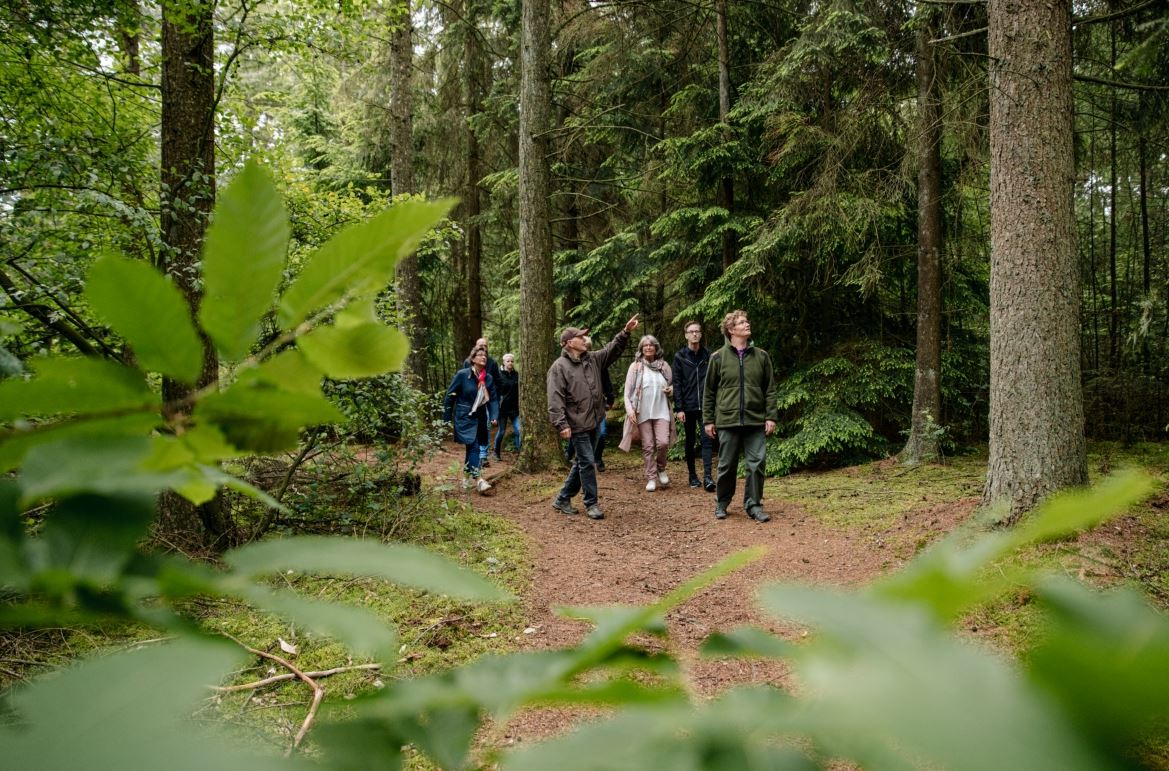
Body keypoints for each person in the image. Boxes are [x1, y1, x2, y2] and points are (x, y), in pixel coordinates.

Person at [547, 314, 640, 520]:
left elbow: (611, 349)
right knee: (588, 462)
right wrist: (561, 423)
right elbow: (555, 398)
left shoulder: (593, 359)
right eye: (580, 337)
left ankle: (563, 498)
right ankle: (591, 503)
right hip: (576, 423)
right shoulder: (559, 367)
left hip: (595, 420)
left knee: (582, 461)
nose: (584, 339)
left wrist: (625, 332)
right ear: (570, 343)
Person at [703, 310, 777, 522]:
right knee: (726, 465)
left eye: (747, 320)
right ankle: (722, 502)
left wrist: (770, 417)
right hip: (727, 420)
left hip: (755, 420)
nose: (747, 324)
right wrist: (708, 420)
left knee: (757, 463)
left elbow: (770, 389)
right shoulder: (717, 358)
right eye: (742, 322)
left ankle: (753, 505)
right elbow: (708, 392)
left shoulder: (761, 356)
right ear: (731, 330)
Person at [619, 334, 677, 492]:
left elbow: (673, 387)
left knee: (663, 443)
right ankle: (651, 477)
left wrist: (670, 390)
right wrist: (630, 410)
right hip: (642, 412)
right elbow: (627, 392)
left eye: (651, 345)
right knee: (648, 446)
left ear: (656, 348)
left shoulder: (664, 366)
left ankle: (661, 468)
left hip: (662, 410)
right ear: (641, 349)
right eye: (645, 345)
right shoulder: (635, 367)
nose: (649, 347)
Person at [444, 345, 498, 494]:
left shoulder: (488, 378)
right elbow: (450, 396)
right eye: (480, 354)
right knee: (474, 446)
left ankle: (466, 477)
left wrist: (493, 416)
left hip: (480, 417)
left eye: (485, 354)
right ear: (473, 359)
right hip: (464, 416)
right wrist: (446, 418)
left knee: (471, 447)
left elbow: (493, 399)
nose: (483, 357)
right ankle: (479, 479)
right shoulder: (462, 375)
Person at [672, 320, 715, 491]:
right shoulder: (680, 356)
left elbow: (713, 381)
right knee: (690, 442)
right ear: (686, 335)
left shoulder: (708, 356)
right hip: (688, 406)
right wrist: (679, 408)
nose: (694, 334)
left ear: (701, 334)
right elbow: (677, 383)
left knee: (707, 441)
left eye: (697, 331)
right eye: (691, 332)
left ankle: (708, 478)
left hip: (705, 406)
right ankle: (692, 476)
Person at [563, 335, 614, 472]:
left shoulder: (598, 362)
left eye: (588, 347)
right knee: (579, 434)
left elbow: (607, 384)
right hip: (580, 411)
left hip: (598, 408)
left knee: (601, 433)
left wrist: (610, 399)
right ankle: (572, 456)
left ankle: (597, 458)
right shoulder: (567, 366)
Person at [462, 337, 501, 467]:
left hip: (487, 400)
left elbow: (497, 381)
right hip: (472, 402)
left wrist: (495, 398)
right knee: (474, 428)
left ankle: (483, 456)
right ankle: (473, 454)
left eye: (485, 345)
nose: (483, 347)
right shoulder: (468, 363)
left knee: (486, 426)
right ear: (476, 347)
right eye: (481, 345)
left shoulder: (492, 363)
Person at [492, 353, 521, 460]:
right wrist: (494, 413)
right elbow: (494, 394)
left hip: (514, 409)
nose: (510, 363)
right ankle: (496, 452)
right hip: (502, 409)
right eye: (508, 361)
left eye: (512, 361)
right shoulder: (498, 375)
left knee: (519, 430)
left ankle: (520, 454)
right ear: (503, 362)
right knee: (502, 431)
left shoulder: (516, 375)